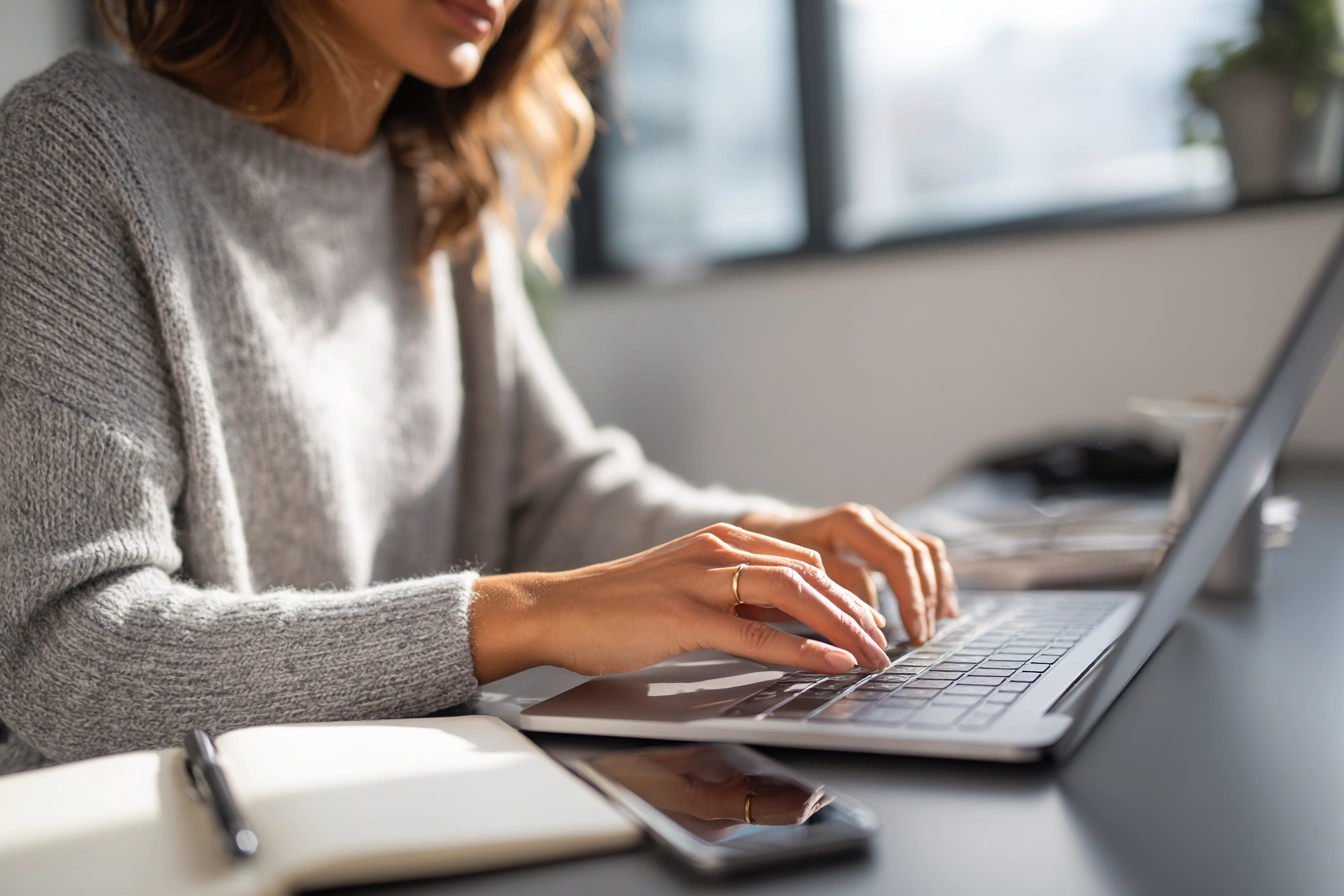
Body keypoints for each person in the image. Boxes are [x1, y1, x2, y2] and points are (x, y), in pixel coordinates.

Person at [0, 0, 956, 775]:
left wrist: (765, 546)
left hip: (400, 802)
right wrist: (529, 615)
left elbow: (548, 491)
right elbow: (74, 655)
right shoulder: (71, 153)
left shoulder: (437, 184)